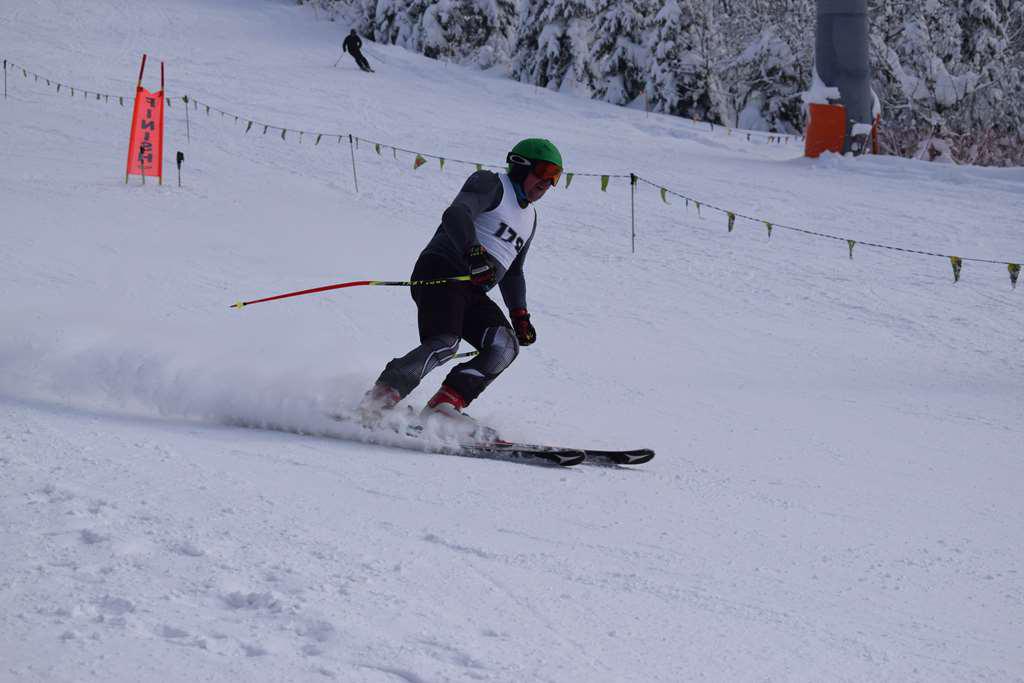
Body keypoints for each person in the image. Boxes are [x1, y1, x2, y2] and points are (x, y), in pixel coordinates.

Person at [359, 139, 564, 437]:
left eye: (555, 176)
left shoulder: (530, 218)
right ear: (520, 166)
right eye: (544, 171)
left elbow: (514, 271)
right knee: (446, 342)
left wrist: (519, 314)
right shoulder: (492, 184)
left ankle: (445, 405)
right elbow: (456, 214)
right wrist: (473, 253)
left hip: (473, 289)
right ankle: (378, 399)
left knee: (504, 346)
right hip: (442, 271)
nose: (548, 182)